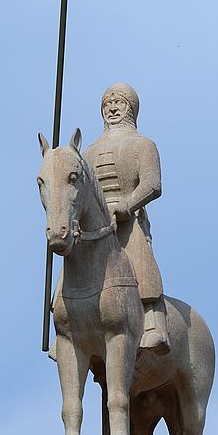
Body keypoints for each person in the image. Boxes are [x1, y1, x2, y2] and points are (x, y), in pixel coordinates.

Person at [83, 83, 169, 355]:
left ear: (130, 108)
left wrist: (128, 205)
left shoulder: (143, 145)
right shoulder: (87, 153)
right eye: (107, 103)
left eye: (118, 103)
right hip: (94, 225)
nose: (112, 108)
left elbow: (153, 184)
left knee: (139, 261)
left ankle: (154, 323)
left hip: (127, 219)